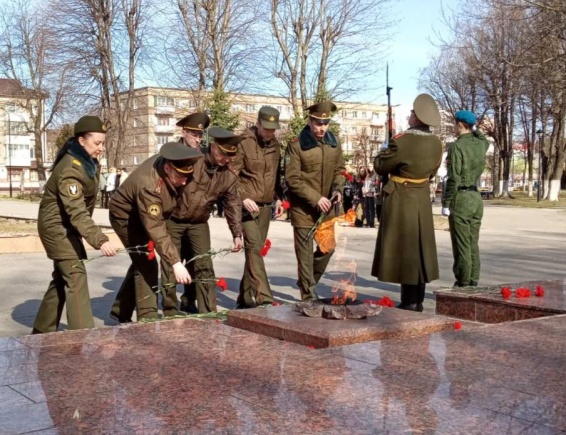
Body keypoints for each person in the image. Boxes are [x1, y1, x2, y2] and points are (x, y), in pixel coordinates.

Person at [33, 116, 117, 333]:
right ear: (81, 140)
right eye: (97, 143)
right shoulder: (71, 168)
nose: (101, 148)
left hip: (67, 226)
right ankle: (82, 336)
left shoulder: (87, 162)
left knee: (62, 279)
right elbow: (77, 210)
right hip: (56, 228)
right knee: (75, 275)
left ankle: (42, 331)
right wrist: (100, 240)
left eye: (102, 143)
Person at [108, 142, 203, 322]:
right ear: (167, 168)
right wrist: (176, 263)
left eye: (187, 176)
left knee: (141, 261)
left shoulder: (173, 164)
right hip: (127, 218)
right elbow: (155, 228)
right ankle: (148, 320)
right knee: (147, 263)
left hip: (147, 215)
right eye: (181, 176)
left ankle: (120, 310)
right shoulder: (150, 186)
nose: (184, 182)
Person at [371, 94, 443, 312]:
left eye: (412, 112)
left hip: (402, 198)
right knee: (420, 249)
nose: (410, 115)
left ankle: (410, 302)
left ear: (416, 118)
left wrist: (384, 151)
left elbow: (380, 167)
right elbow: (432, 172)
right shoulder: (437, 144)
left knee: (406, 250)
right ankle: (417, 300)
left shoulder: (401, 141)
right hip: (422, 197)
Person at [161, 126, 244, 314]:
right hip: (174, 219)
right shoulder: (194, 160)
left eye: (230, 156)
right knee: (171, 264)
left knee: (203, 264)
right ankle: (170, 310)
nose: (226, 159)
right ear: (213, 146)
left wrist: (237, 234)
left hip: (199, 222)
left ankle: (207, 311)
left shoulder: (228, 175)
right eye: (223, 153)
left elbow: (232, 203)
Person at [284, 101, 345, 301]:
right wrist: (316, 198)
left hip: (326, 210)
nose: (322, 128)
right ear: (310, 121)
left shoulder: (334, 143)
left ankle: (307, 280)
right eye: (318, 123)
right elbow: (292, 179)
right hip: (303, 210)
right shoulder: (296, 145)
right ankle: (308, 297)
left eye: (325, 123)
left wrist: (337, 189)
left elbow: (340, 171)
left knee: (328, 249)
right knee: (305, 255)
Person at [232, 106, 285, 309]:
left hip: (265, 207)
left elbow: (276, 175)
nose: (270, 133)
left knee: (254, 253)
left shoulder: (276, 146)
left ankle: (245, 299)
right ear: (258, 124)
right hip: (246, 206)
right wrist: (243, 197)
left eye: (273, 129)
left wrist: (279, 198)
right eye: (267, 129)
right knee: (254, 248)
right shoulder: (243, 143)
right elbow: (231, 176)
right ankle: (265, 298)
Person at [442, 110, 489, 287]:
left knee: (461, 244)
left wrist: (446, 203)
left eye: (455, 124)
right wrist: (474, 128)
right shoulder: (480, 144)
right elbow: (484, 140)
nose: (454, 128)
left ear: (460, 124)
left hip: (461, 198)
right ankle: (473, 279)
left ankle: (463, 281)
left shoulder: (457, 147)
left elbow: (454, 178)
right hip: (476, 198)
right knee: (472, 242)